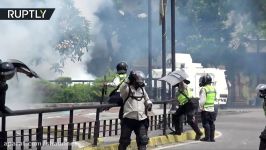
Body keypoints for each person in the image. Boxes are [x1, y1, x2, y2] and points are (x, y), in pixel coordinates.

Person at [118, 70, 152, 150]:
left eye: (140, 82)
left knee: (143, 141)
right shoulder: (126, 89)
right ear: (133, 80)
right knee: (124, 141)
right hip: (128, 119)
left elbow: (147, 99)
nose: (139, 83)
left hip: (141, 119)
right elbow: (122, 87)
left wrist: (149, 104)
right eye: (137, 81)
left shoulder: (142, 89)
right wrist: (129, 78)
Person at [199, 74, 217, 142]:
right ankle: (212, 138)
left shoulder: (204, 89)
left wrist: (201, 107)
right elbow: (214, 98)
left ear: (205, 81)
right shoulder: (213, 88)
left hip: (205, 109)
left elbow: (202, 100)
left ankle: (207, 138)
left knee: (206, 124)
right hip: (212, 109)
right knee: (211, 123)